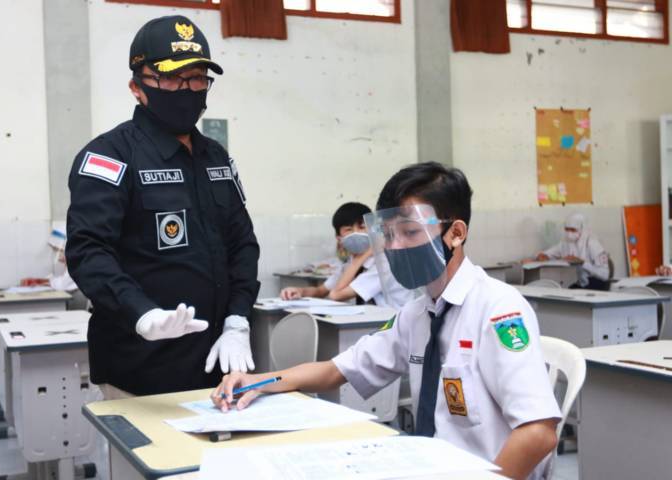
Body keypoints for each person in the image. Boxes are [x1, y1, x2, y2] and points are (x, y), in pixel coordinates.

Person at [215, 162, 560, 480]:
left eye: (409, 232)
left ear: (455, 233)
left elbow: (539, 431)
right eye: (389, 235)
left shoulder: (497, 309)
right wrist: (258, 381)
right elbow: (336, 370)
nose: (395, 247)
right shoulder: (416, 314)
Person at [65, 16, 260, 399]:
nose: (186, 89)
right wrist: (141, 313)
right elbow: (89, 251)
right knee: (150, 460)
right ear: (137, 87)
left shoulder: (216, 158)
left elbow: (243, 244)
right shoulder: (110, 156)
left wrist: (238, 319)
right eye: (171, 78)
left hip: (217, 362)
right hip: (140, 364)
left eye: (197, 78)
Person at [280, 202, 412, 308]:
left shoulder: (385, 261)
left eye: (362, 227)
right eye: (349, 229)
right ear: (339, 238)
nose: (356, 233)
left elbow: (335, 295)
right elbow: (321, 291)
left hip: (397, 326)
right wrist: (299, 291)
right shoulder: (350, 262)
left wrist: (361, 258)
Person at [534, 213, 610, 290]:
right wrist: (541, 256)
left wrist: (582, 263)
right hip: (578, 282)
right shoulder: (565, 242)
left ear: (582, 229)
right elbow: (548, 253)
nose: (569, 233)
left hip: (594, 283)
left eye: (573, 230)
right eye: (567, 229)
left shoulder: (592, 243)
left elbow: (604, 275)